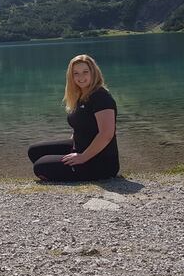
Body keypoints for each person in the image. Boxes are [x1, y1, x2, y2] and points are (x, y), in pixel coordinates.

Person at [27, 54, 119, 182]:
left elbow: (107, 134)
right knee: (35, 151)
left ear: (94, 72)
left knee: (41, 167)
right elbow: (81, 126)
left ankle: (76, 170)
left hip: (101, 162)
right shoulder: (83, 95)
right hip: (81, 148)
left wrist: (82, 157)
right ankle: (66, 167)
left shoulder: (101, 97)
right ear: (71, 76)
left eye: (85, 72)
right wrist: (72, 149)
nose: (81, 77)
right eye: (76, 73)